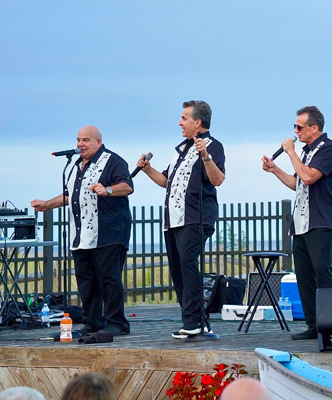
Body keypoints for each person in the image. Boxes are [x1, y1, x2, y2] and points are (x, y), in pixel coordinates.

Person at [31, 126, 133, 336]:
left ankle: (117, 324)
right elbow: (72, 195)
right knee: (86, 281)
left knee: (109, 279)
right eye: (78, 140)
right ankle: (92, 323)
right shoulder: (76, 165)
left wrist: (108, 190)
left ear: (98, 141)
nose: (80, 144)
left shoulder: (113, 161)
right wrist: (47, 204)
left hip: (109, 232)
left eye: (85, 140)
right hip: (81, 235)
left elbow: (127, 186)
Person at [136, 100, 225, 338]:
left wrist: (205, 155)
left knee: (188, 264)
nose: (180, 122)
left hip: (195, 217)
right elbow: (167, 181)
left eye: (184, 118)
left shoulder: (213, 146)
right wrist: (147, 169)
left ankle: (195, 320)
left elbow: (217, 179)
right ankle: (193, 319)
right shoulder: (180, 150)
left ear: (198, 122)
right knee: (178, 268)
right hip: (173, 219)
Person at [262, 106, 332, 340]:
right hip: (300, 222)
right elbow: (297, 182)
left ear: (315, 128)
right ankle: (313, 324)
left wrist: (290, 152)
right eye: (294, 127)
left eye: (300, 127)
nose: (296, 131)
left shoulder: (329, 149)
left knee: (321, 271)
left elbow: (309, 177)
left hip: (320, 220)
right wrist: (275, 169)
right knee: (304, 274)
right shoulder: (306, 153)